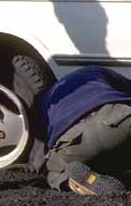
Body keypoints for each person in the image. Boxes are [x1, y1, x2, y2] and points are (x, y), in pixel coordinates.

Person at [41, 65, 131, 196]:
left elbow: (41, 150)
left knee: (52, 172)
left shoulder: (46, 103)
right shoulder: (96, 71)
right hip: (112, 119)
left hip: (73, 142)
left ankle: (74, 181)